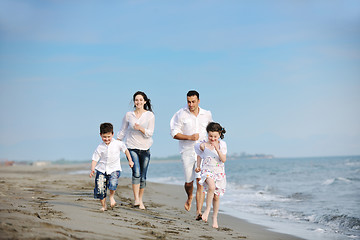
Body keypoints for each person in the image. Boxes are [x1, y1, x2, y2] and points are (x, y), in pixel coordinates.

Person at [170, 90, 213, 220]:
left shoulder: (207, 114)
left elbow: (211, 131)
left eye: (193, 101)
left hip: (203, 152)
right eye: (188, 101)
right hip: (187, 151)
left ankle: (198, 212)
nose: (191, 104)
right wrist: (189, 137)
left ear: (198, 101)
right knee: (189, 182)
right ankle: (189, 197)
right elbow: (174, 133)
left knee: (200, 181)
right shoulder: (180, 114)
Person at [117, 91, 155, 210]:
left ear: (145, 101)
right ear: (134, 102)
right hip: (131, 147)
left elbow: (150, 133)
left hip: (145, 148)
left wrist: (141, 129)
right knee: (136, 172)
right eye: (136, 100)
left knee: (143, 176)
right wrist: (116, 143)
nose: (138, 102)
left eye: (140, 100)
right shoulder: (129, 115)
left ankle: (141, 200)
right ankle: (136, 199)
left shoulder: (150, 116)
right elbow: (123, 130)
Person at [90, 122, 134, 211]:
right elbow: (95, 159)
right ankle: (104, 206)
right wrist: (92, 169)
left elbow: (126, 151)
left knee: (113, 184)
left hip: (115, 169)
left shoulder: (118, 143)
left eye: (108, 137)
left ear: (112, 134)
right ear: (100, 135)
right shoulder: (100, 147)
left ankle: (111, 197)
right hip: (101, 170)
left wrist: (130, 160)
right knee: (100, 188)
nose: (106, 139)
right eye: (104, 137)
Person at [195, 122, 227, 229]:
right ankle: (207, 210)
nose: (212, 139)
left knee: (216, 197)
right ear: (207, 134)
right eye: (210, 136)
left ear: (219, 135)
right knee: (211, 187)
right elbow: (199, 155)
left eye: (215, 136)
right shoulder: (203, 144)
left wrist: (217, 148)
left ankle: (215, 218)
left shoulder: (222, 145)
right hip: (207, 171)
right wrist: (198, 166)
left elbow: (223, 160)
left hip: (219, 172)